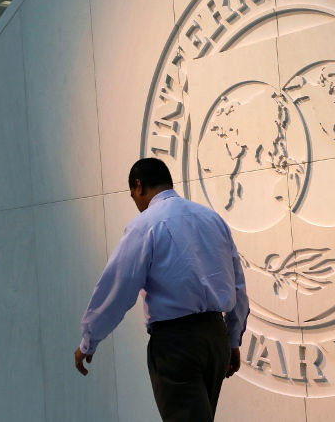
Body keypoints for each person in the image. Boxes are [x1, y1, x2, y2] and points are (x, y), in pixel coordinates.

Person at [73, 158, 249, 421]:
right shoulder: (212, 219)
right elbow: (237, 285)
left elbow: (117, 288)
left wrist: (89, 340)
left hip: (175, 342)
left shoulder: (145, 225)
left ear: (138, 185)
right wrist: (232, 339)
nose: (136, 202)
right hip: (215, 337)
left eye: (133, 195)